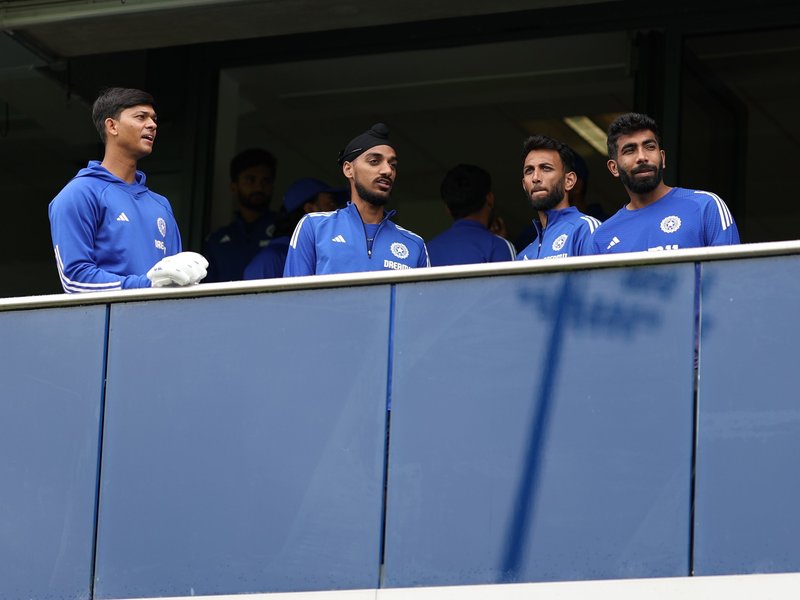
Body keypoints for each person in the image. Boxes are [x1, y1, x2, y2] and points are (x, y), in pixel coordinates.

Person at [48, 87, 207, 292]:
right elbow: (75, 279)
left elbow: (175, 285)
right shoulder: (79, 193)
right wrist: (147, 285)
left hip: (160, 321)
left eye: (154, 119)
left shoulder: (161, 205)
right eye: (141, 117)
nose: (152, 125)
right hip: (107, 322)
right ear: (112, 126)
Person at [283, 123, 429, 276]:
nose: (387, 170)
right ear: (348, 169)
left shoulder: (414, 244)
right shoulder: (314, 227)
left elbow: (424, 300)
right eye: (374, 161)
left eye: (392, 165)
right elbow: (292, 298)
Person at [591, 112, 740, 254]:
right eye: (630, 150)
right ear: (613, 167)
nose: (642, 157)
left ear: (662, 158)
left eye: (650, 147)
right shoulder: (602, 236)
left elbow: (730, 275)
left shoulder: (705, 206)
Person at [516, 134, 601, 260]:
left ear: (569, 181)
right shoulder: (524, 256)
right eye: (529, 170)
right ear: (524, 185)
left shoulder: (585, 229)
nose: (535, 178)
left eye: (546, 168)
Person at [243, 177, 343, 280]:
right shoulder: (270, 259)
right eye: (331, 203)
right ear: (310, 210)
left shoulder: (329, 251)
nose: (338, 211)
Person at [203, 147, 278, 282]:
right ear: (233, 186)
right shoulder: (216, 241)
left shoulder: (286, 232)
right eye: (250, 180)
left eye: (265, 181)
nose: (258, 187)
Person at [426, 164, 515, 266]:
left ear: (447, 208)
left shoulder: (426, 251)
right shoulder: (499, 246)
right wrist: (498, 242)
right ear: (490, 198)